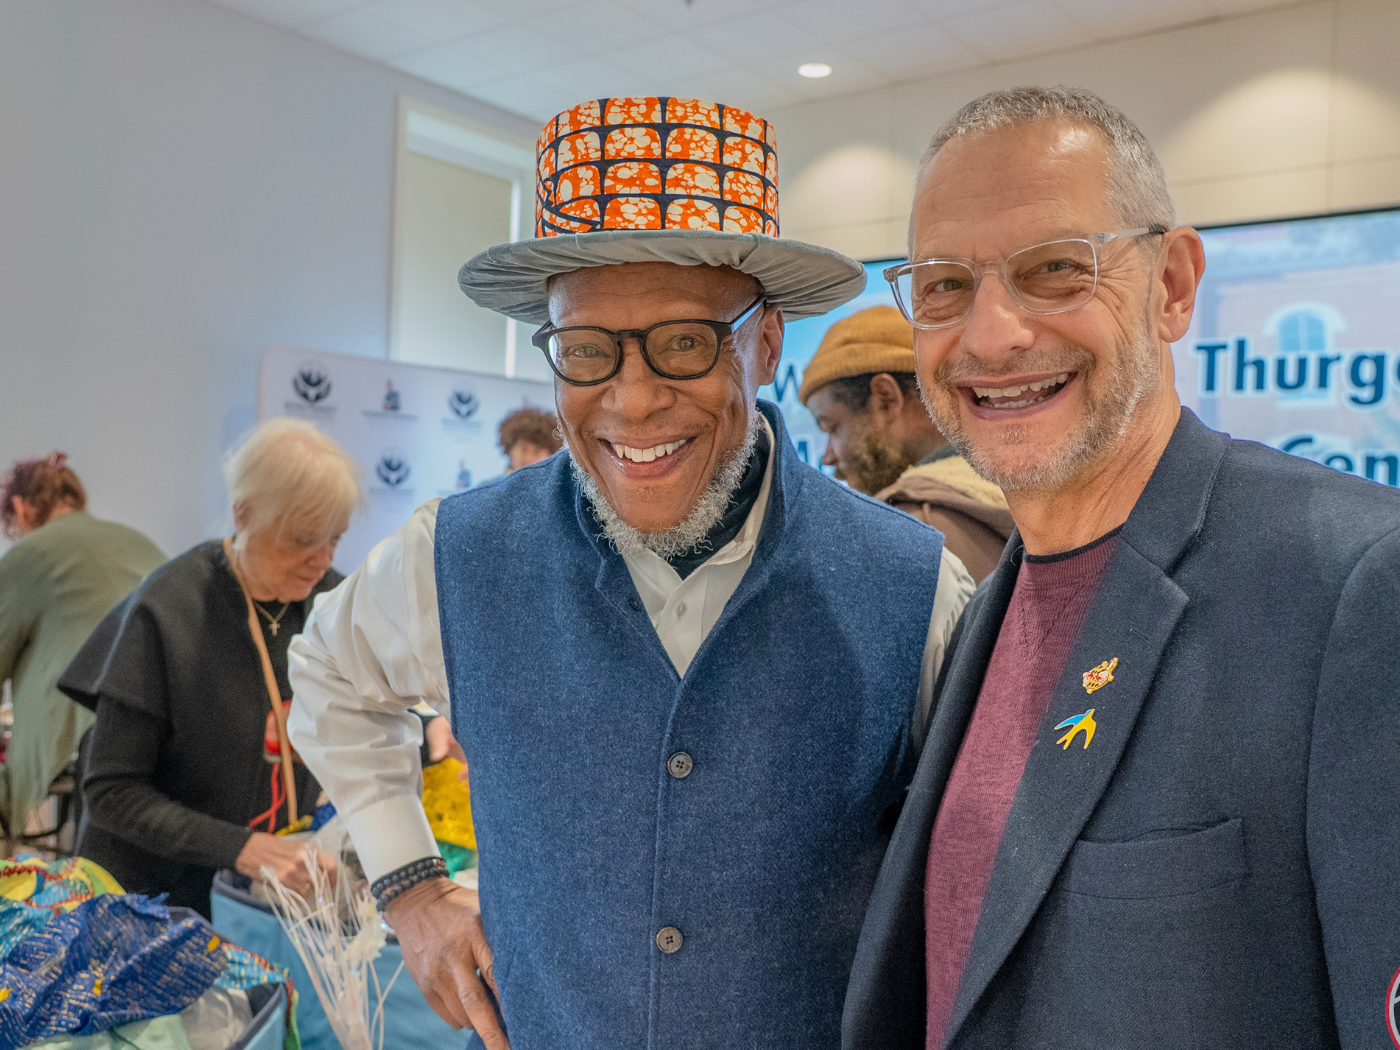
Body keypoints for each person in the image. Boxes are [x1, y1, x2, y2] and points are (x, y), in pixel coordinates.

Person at [288, 95, 975, 1050]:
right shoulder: (455, 555)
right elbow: (328, 679)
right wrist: (411, 889)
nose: (634, 397)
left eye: (687, 342)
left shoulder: (913, 585)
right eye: (586, 350)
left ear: (764, 343)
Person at [843, 86, 1400, 1050]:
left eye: (1056, 269)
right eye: (942, 286)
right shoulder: (990, 605)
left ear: (1173, 285)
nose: (991, 336)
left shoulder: (1356, 585)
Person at [58, 419, 416, 916]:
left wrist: (428, 730)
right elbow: (111, 791)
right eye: (302, 540)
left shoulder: (331, 601)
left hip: (264, 900)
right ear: (243, 514)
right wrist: (243, 849)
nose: (322, 560)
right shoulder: (168, 610)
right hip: (153, 902)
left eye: (335, 539)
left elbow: (378, 712)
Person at [0, 453, 164, 837]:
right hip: (165, 726)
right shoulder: (136, 540)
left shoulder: (31, 552)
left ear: (21, 510)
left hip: (84, 731)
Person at [800, 306, 1013, 580]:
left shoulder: (907, 528)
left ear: (885, 400)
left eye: (832, 427)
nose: (827, 457)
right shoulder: (1028, 493)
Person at [497, 406, 562, 474]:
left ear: (551, 455)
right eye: (523, 450)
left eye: (537, 452)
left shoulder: (563, 484)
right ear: (510, 450)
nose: (528, 458)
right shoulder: (492, 484)